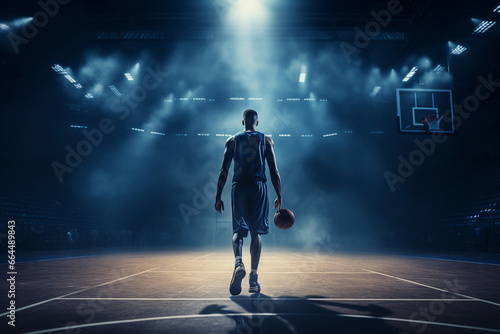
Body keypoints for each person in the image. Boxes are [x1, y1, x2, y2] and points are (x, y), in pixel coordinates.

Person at [215, 109, 282, 295]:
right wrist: (280, 195)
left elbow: (223, 171)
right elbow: (274, 171)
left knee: (238, 230)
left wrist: (218, 196)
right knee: (256, 233)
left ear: (243, 122)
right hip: (258, 186)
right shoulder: (266, 140)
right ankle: (253, 279)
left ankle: (238, 263)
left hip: (240, 186)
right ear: (257, 122)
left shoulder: (232, 140)